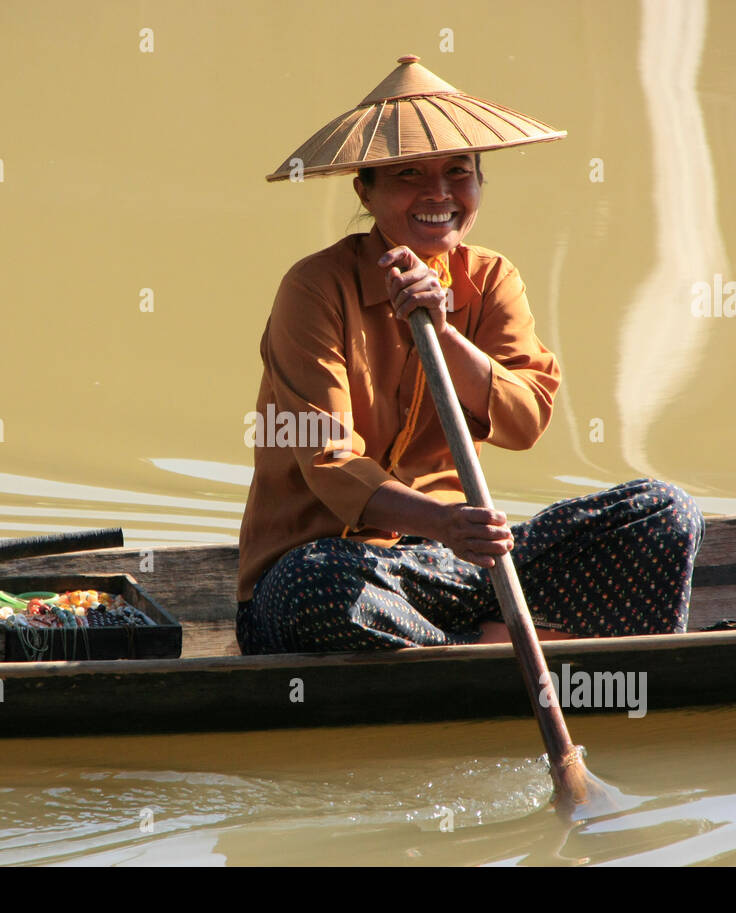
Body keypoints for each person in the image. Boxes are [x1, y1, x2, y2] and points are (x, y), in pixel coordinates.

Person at [236, 57, 704, 654]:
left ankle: (478, 643)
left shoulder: (492, 279)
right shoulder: (315, 289)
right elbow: (330, 464)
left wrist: (443, 334)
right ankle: (497, 651)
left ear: (479, 184)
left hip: (449, 570)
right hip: (335, 570)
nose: (439, 194)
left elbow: (526, 418)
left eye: (458, 173)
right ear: (365, 190)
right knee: (315, 588)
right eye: (408, 174)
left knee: (663, 513)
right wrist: (446, 524)